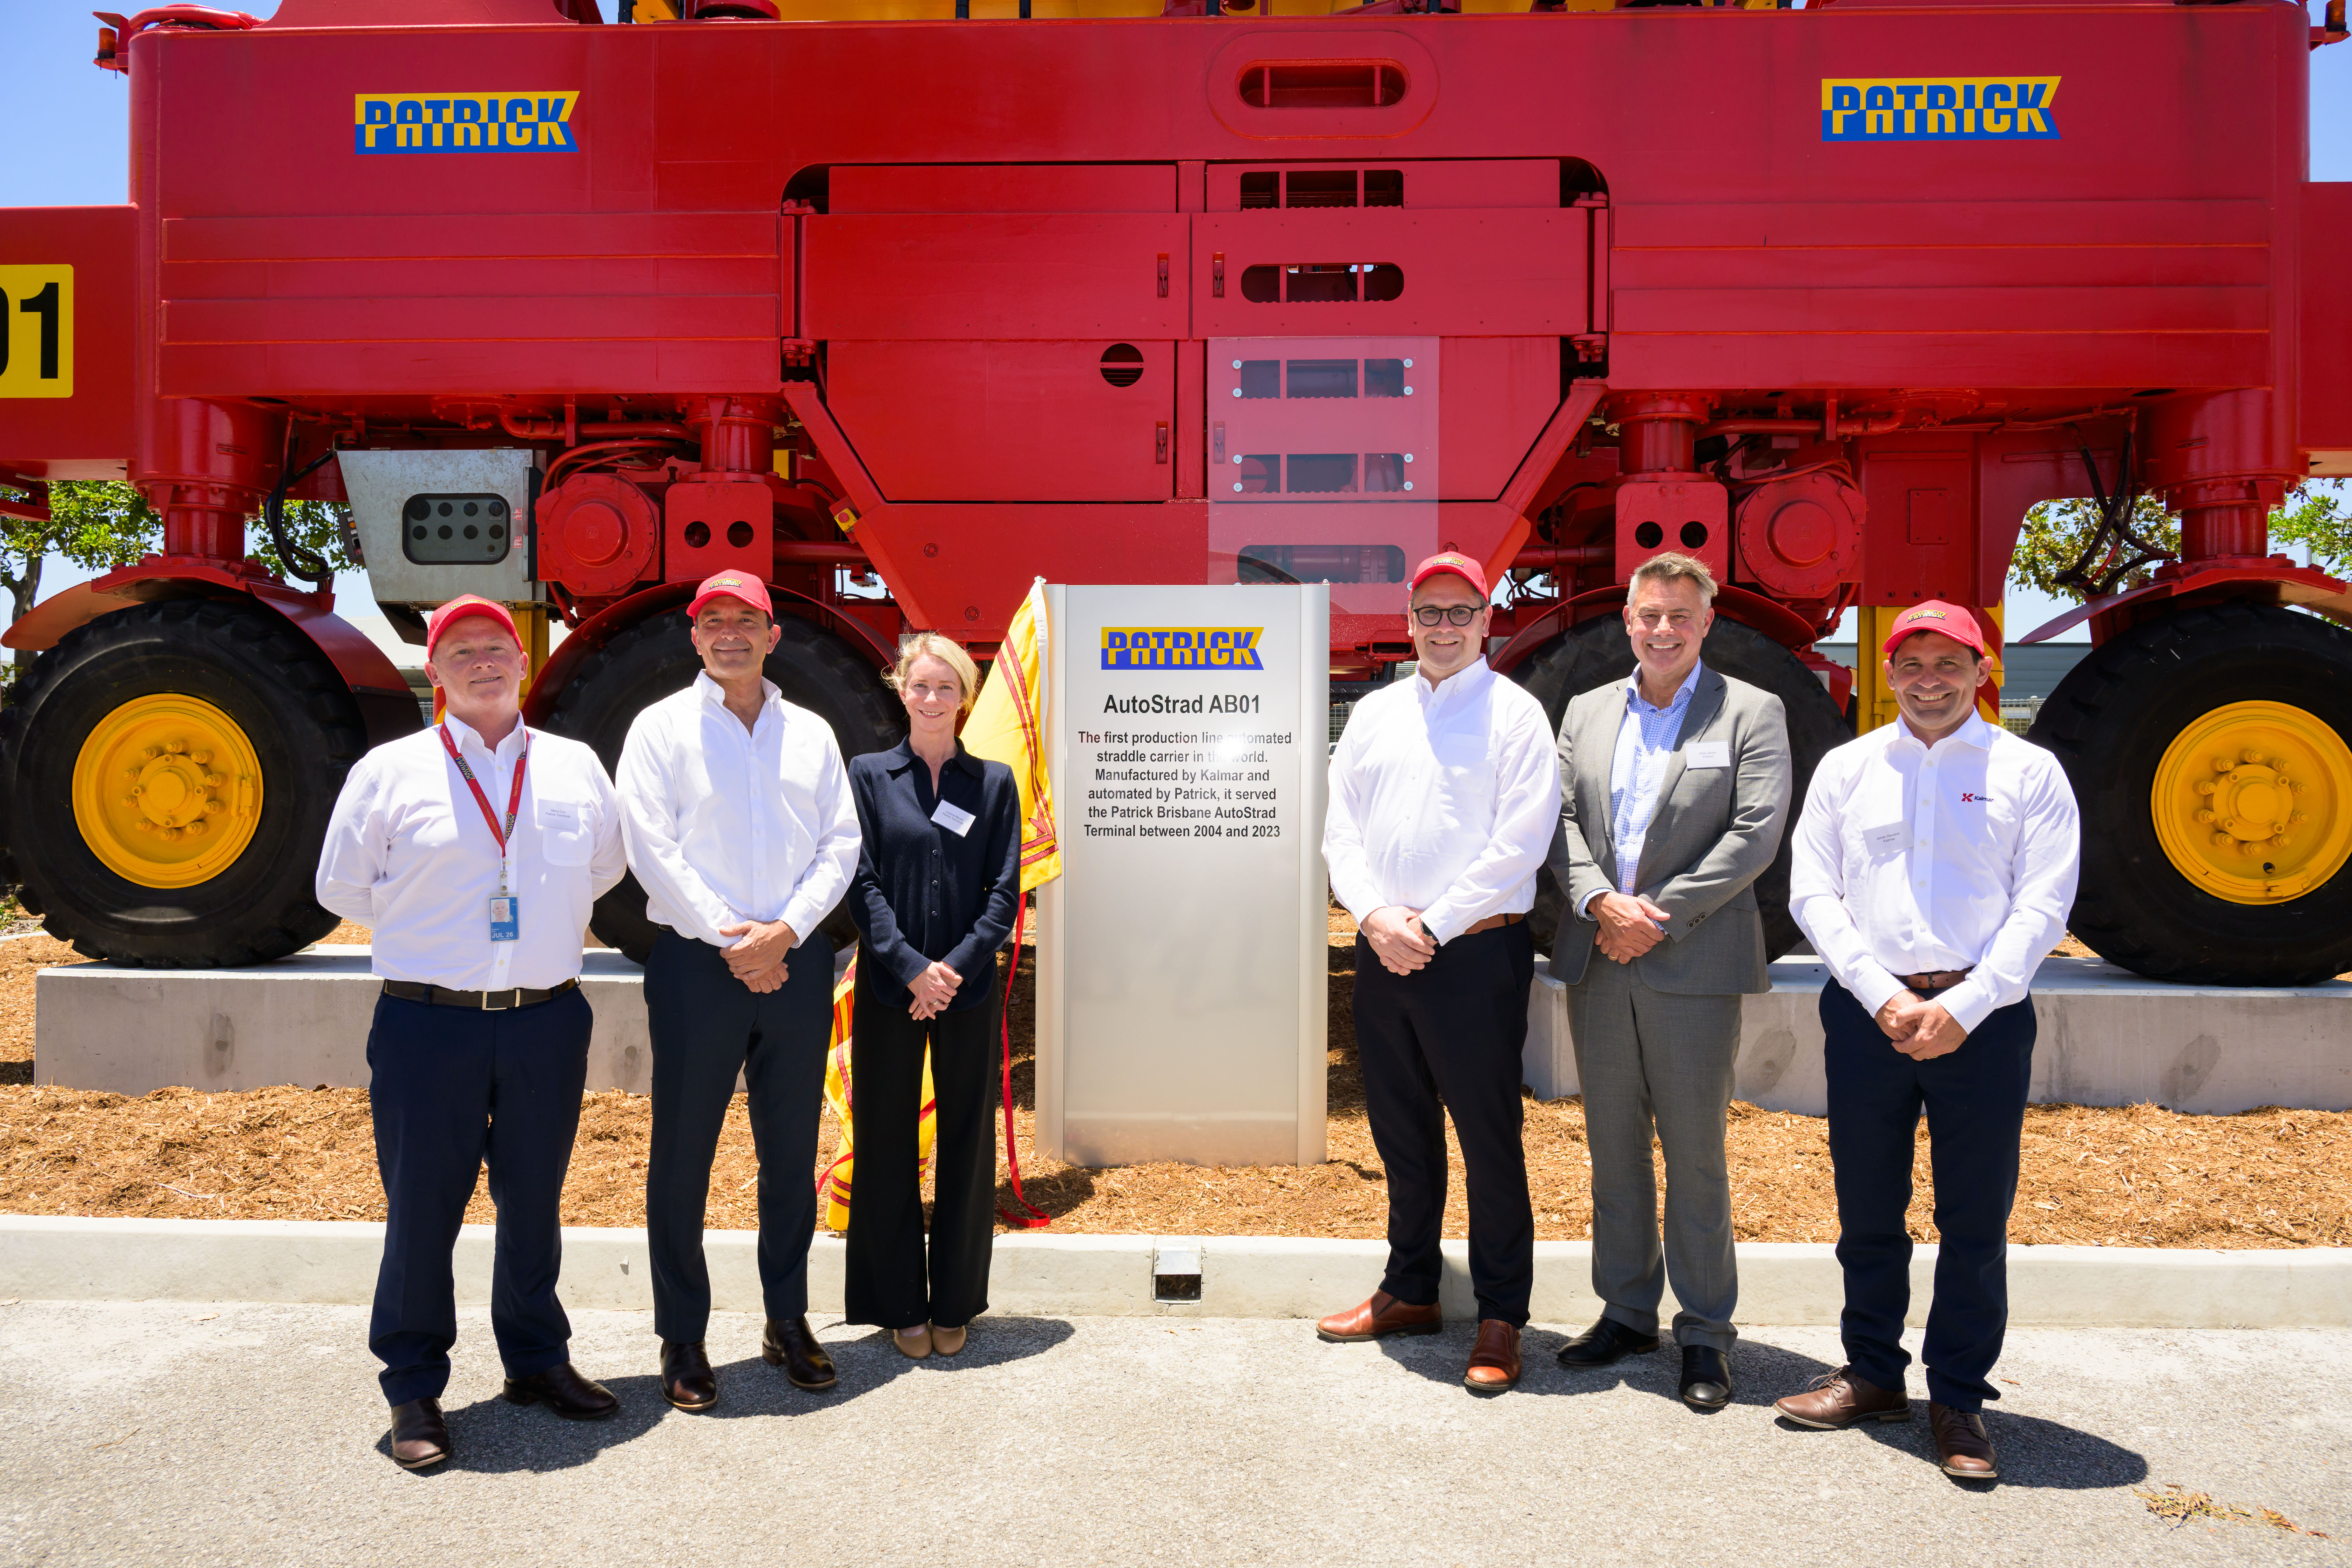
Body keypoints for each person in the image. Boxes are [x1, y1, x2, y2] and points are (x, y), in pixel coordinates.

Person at [316, 593, 628, 1471]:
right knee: (423, 1209)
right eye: (462, 651)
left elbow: (605, 866)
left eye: (497, 646)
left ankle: (536, 1359)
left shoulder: (574, 767)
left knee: (534, 1202)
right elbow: (341, 886)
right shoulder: (389, 771)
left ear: (523, 662)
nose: (483, 661)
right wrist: (433, 927)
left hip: (547, 1020)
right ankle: (414, 1385)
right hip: (429, 1024)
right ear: (435, 671)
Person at [1775, 600, 2079, 1481]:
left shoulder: (2028, 771)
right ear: (1889, 673)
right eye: (1912, 664)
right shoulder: (1848, 768)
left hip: (1983, 1019)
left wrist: (1967, 1006)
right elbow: (1814, 893)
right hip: (1867, 1015)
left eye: (1950, 663)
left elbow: (2045, 904)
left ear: (1984, 672)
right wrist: (1882, 996)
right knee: (1868, 1209)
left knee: (1974, 1219)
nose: (1930, 681)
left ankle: (1959, 1399)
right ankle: (1872, 1374)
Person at [1546, 551, 1791, 1412]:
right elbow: (1558, 818)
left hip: (1691, 961)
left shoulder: (1751, 711)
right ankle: (1625, 1311)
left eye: (1680, 615)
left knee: (1695, 1155)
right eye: (1649, 614)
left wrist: (1655, 915)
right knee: (1613, 1148)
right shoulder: (1585, 710)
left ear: (1706, 623)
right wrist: (1599, 902)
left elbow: (1756, 832)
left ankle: (1706, 1331)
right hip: (1599, 956)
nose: (1663, 629)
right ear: (1628, 620)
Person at [1316, 552, 1561, 1393]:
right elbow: (1340, 829)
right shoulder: (1375, 712)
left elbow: (1521, 842)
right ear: (1409, 621)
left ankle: (1501, 1314)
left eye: (1461, 612)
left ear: (1487, 620)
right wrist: (1375, 917)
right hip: (1385, 948)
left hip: (1475, 954)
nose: (1445, 627)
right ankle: (1411, 1287)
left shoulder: (1516, 714)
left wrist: (1432, 924)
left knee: (1489, 1138)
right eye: (1430, 612)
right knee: (1401, 1130)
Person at [615, 572, 861, 1410]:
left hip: (795, 963)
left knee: (790, 1153)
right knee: (684, 1153)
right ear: (694, 637)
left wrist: (784, 932)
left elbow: (840, 844)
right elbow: (651, 848)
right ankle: (682, 1336)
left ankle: (786, 1319)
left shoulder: (811, 733)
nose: (730, 633)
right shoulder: (660, 729)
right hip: (698, 967)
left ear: (772, 634)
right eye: (713, 620)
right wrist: (736, 940)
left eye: (746, 620)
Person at [842, 634, 1021, 1359]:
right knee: (884, 1140)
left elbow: (1005, 892)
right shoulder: (869, 776)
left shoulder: (995, 783)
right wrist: (914, 968)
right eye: (921, 685)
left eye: (947, 686)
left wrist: (952, 972)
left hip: (966, 991)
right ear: (901, 690)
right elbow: (861, 882)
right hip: (892, 986)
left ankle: (955, 1300)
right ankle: (898, 1304)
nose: (933, 698)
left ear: (965, 697)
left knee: (968, 1145)